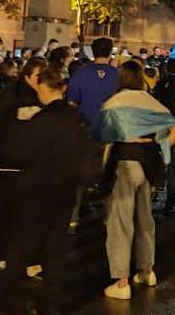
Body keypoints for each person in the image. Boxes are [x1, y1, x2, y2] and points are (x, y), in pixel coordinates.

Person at [3, 67, 104, 314]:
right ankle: (51, 302)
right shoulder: (77, 120)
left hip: (36, 188)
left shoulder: (38, 120)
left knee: (25, 240)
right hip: (66, 190)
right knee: (55, 247)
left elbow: (17, 153)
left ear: (44, 88)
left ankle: (11, 295)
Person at [101, 61, 175, 300]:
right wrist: (161, 149)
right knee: (145, 219)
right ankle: (147, 270)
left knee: (120, 222)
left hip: (124, 161)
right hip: (148, 164)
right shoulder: (151, 102)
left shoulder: (112, 104)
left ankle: (121, 281)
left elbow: (105, 139)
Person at [0, 58, 47, 272]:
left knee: (25, 213)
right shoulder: (13, 98)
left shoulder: (35, 96)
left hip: (24, 165)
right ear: (28, 76)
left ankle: (18, 256)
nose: (42, 81)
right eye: (39, 76)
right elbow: (1, 131)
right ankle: (9, 255)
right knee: (14, 213)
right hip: (10, 164)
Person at [67, 37, 119, 229]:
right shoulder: (117, 75)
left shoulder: (80, 75)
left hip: (85, 130)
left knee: (80, 174)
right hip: (110, 131)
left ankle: (73, 216)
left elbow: (72, 103)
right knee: (109, 174)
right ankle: (108, 217)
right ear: (110, 52)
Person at [154, 58, 175, 212]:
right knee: (173, 163)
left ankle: (155, 189)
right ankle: (171, 198)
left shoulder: (161, 84)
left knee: (160, 158)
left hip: (161, 125)